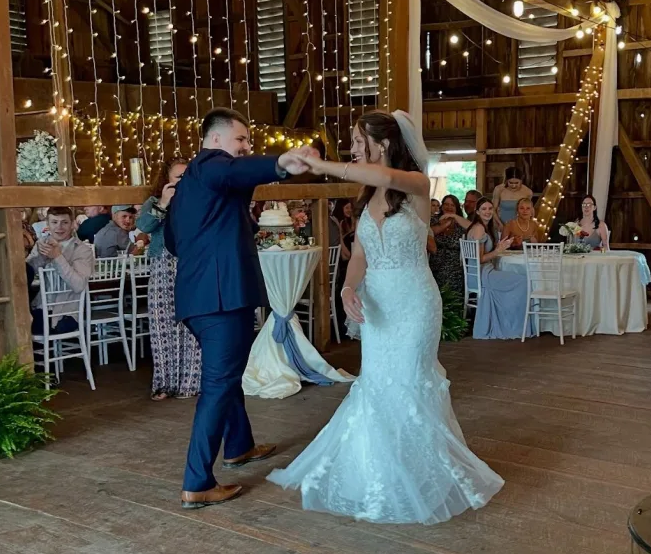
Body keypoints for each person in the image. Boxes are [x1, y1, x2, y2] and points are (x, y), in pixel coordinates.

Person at [267, 110, 504, 525]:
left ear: (383, 143)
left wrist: (320, 165)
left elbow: (387, 178)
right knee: (377, 386)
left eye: (358, 140)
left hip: (414, 303)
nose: (353, 147)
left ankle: (421, 478)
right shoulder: (365, 199)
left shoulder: (414, 185)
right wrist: (346, 288)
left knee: (410, 383)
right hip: (376, 304)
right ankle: (378, 477)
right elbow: (359, 255)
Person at [165, 107, 317, 510]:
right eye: (241, 140)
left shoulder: (184, 191)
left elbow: (174, 243)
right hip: (221, 299)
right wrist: (282, 163)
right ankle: (197, 481)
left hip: (198, 300)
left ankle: (239, 446)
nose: (246, 147)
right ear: (215, 140)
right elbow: (231, 173)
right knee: (217, 385)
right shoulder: (212, 165)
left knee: (226, 375)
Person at [136, 157, 202, 402]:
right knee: (162, 325)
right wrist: (164, 202)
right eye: (178, 177)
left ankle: (190, 383)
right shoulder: (154, 202)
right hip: (163, 267)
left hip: (192, 266)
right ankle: (164, 383)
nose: (183, 182)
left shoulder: (199, 201)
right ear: (166, 181)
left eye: (188, 176)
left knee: (192, 325)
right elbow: (143, 225)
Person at [467, 198, 531, 340]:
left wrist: (500, 247)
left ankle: (507, 323)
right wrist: (498, 251)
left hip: (481, 273)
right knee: (524, 281)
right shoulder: (479, 229)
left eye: (490, 209)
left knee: (517, 278)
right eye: (484, 209)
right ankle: (512, 326)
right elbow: (479, 259)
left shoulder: (485, 227)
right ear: (477, 211)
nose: (488, 212)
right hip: (482, 274)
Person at [26, 206, 94, 334]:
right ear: (47, 224)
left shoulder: (82, 250)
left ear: (72, 224)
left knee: (18, 327)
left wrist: (57, 256)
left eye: (65, 222)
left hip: (65, 313)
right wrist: (40, 258)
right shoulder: (42, 243)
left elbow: (79, 285)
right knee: (13, 319)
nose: (59, 227)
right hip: (41, 307)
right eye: (54, 222)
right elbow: (26, 275)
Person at [429, 194, 469, 302]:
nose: (449, 207)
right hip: (436, 259)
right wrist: (445, 224)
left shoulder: (460, 222)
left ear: (457, 208)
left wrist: (455, 217)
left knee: (452, 273)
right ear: (441, 206)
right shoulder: (434, 220)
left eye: (452, 205)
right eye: (446, 204)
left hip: (455, 261)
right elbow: (430, 232)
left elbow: (471, 227)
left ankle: (453, 310)